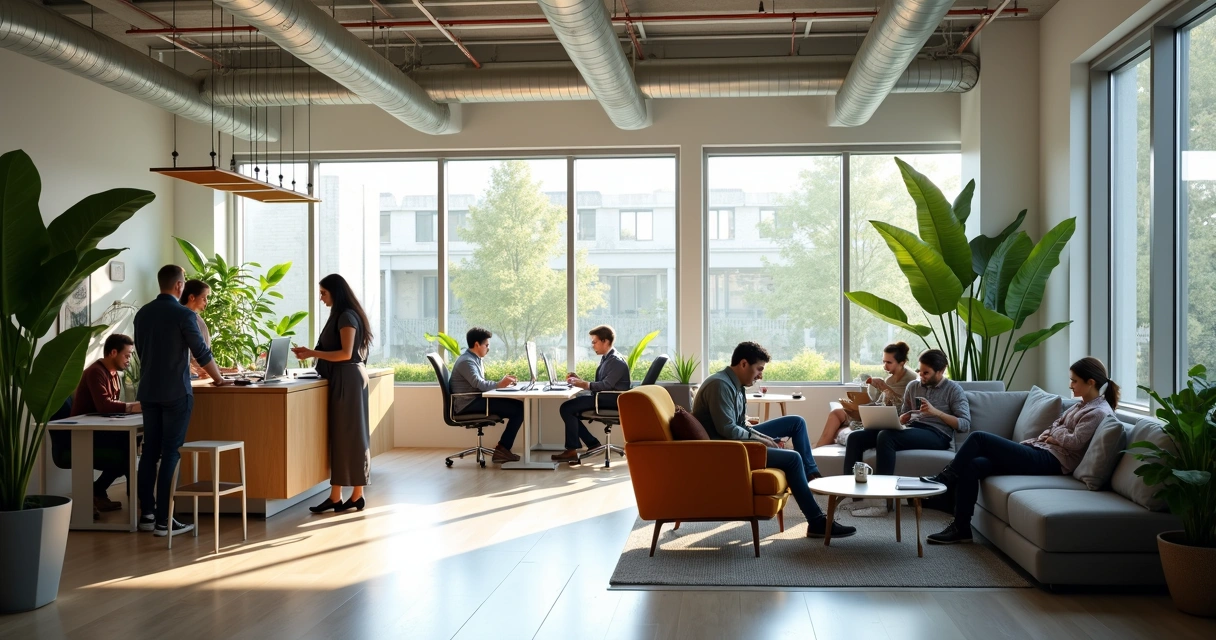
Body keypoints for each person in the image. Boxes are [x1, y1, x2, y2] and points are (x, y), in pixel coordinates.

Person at [924, 357, 1120, 544]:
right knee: (975, 465)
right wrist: (1055, 434)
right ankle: (961, 528)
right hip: (1041, 450)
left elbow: (1075, 441)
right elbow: (1055, 426)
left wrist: (1055, 435)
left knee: (979, 438)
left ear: (1091, 382)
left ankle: (944, 480)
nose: (1070, 385)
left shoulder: (1098, 412)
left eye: (1074, 381)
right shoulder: (1082, 405)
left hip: (1052, 460)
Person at [692, 341, 856, 539]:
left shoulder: (736, 385)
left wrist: (766, 438)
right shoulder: (720, 385)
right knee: (792, 458)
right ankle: (816, 522)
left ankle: (811, 474)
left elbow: (742, 426)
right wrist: (763, 442)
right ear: (744, 364)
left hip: (735, 441)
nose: (760, 375)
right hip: (728, 450)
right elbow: (728, 430)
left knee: (796, 422)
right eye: (758, 369)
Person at [135, 265, 229, 537]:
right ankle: (165, 521)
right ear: (179, 286)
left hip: (149, 393)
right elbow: (201, 352)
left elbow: (142, 351)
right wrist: (219, 379)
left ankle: (148, 516)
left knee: (150, 452)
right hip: (176, 392)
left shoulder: (142, 314)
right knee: (170, 453)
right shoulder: (183, 314)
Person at [292, 274, 374, 513]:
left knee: (351, 436)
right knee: (343, 437)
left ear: (335, 293)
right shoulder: (342, 315)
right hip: (344, 378)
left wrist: (311, 353)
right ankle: (337, 496)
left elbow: (346, 353)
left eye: (323, 293)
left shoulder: (347, 316)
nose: (321, 298)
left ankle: (357, 494)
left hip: (347, 378)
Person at [842, 349, 971, 490]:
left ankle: (882, 494)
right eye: (919, 371)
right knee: (855, 437)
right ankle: (852, 492)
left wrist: (936, 413)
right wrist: (900, 419)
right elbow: (904, 413)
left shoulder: (954, 390)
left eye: (926, 373)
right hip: (911, 428)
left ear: (941, 370)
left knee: (886, 436)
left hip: (938, 434)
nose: (921, 376)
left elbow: (964, 424)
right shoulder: (913, 386)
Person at [70, 333, 142, 516]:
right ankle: (101, 492)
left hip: (101, 429)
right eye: (126, 355)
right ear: (113, 352)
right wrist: (134, 407)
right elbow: (104, 405)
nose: (129, 360)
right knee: (128, 450)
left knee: (132, 444)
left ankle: (101, 492)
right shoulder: (96, 372)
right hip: (85, 435)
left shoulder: (113, 374)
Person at [445, 327, 525, 464]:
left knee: (518, 406)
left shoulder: (474, 359)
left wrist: (501, 384)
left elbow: (480, 384)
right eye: (486, 345)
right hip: (468, 404)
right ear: (477, 344)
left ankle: (503, 448)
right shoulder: (467, 361)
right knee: (519, 409)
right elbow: (479, 383)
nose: (488, 349)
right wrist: (500, 384)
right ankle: (502, 449)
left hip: (474, 399)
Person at [552, 325, 631, 463]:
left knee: (567, 408)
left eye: (594, 342)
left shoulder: (616, 361)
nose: (592, 345)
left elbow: (606, 385)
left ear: (605, 341)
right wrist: (580, 381)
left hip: (610, 400)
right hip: (604, 397)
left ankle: (573, 449)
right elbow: (603, 382)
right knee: (571, 408)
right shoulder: (608, 358)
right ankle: (591, 443)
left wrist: (583, 384)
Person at [815, 341, 916, 448]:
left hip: (890, 419)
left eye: (889, 363)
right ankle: (817, 450)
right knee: (836, 413)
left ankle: (814, 456)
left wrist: (885, 388)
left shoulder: (912, 380)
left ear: (902, 363)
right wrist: (874, 386)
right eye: (884, 362)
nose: (885, 366)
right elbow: (879, 401)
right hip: (878, 413)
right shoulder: (890, 379)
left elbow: (903, 407)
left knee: (845, 421)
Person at [179, 279, 218, 377]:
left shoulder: (196, 317)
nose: (206, 302)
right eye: (203, 298)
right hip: (193, 375)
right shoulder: (187, 318)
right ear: (192, 297)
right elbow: (195, 355)